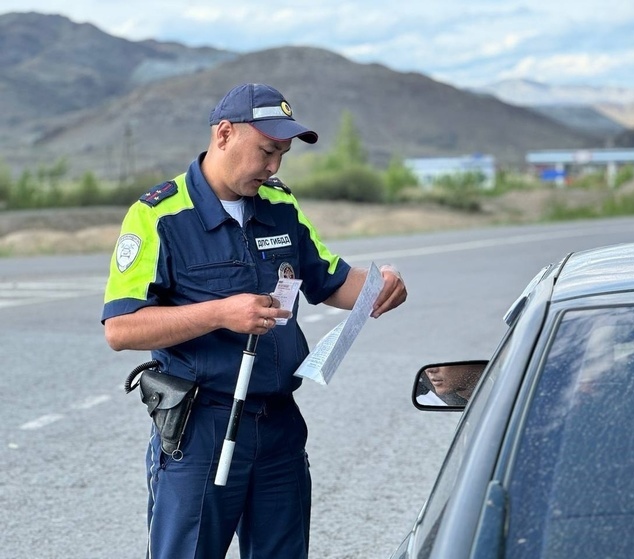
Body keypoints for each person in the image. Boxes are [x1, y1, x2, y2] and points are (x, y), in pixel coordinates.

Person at [101, 83, 407, 559]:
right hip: (200, 429)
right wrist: (221, 313)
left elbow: (334, 280)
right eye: (266, 151)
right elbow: (121, 329)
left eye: (282, 154)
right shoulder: (158, 216)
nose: (273, 167)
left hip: (279, 426)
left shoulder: (280, 207)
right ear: (224, 134)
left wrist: (381, 285)